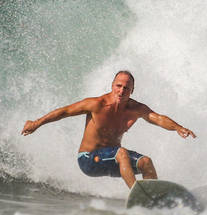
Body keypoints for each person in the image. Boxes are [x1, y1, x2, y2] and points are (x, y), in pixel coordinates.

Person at [21, 70, 196, 188]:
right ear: (112, 86)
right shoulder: (96, 104)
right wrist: (36, 123)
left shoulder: (135, 109)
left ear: (132, 90)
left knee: (146, 162)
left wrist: (178, 128)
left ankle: (152, 199)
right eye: (118, 86)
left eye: (126, 88)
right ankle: (139, 194)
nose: (121, 90)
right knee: (121, 153)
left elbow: (157, 118)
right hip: (89, 160)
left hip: (115, 161)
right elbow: (64, 111)